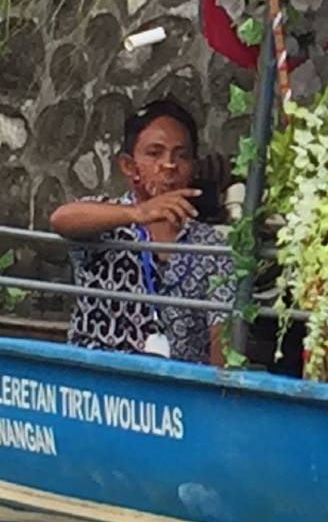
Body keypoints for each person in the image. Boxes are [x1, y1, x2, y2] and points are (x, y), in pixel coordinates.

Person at [50, 99, 234, 366]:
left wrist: (217, 398)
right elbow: (60, 219)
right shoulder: (106, 220)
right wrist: (138, 214)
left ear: (193, 167)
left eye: (181, 155)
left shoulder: (210, 244)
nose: (169, 165)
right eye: (154, 153)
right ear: (129, 166)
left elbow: (221, 335)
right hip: (99, 383)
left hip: (175, 394)